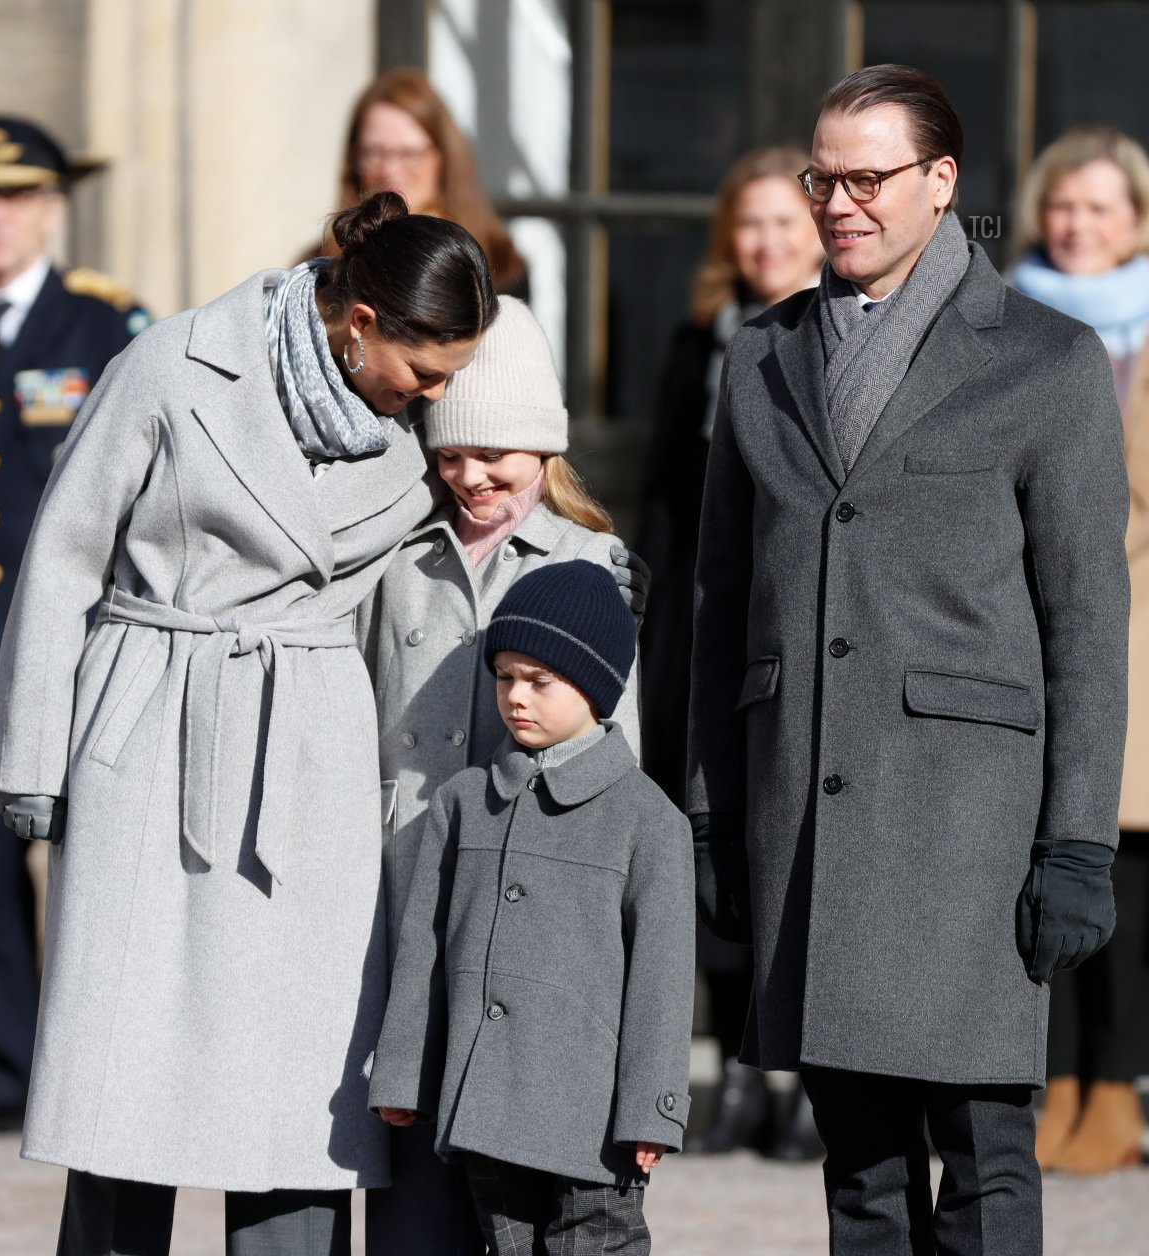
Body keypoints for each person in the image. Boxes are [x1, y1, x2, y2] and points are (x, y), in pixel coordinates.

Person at [0, 190, 497, 1256]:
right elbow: (66, 547)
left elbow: (499, 493)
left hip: (306, 741)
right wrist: (33, 752)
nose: (440, 397)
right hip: (152, 724)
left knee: (294, 1094)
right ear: (361, 324)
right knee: (127, 1084)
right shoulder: (175, 363)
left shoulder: (415, 423)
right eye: (427, 372)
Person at [688, 63, 1129, 1255]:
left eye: (867, 177)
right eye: (821, 177)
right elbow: (723, 600)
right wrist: (715, 811)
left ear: (941, 184)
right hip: (810, 821)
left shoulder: (1045, 361)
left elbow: (1087, 618)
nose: (839, 201)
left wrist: (1079, 840)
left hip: (969, 836)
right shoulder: (761, 358)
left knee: (986, 1164)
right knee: (863, 1176)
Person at [358, 294, 643, 1254]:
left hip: (530, 912)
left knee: (524, 1197)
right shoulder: (395, 555)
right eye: (448, 454)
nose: (471, 477)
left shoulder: (589, 560)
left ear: (545, 447)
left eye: (496, 454)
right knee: (406, 1160)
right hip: (401, 885)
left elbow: (615, 762)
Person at [368, 560, 694, 1256]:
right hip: (485, 1106)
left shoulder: (649, 821)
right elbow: (424, 948)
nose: (517, 696)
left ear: (598, 685)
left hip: (593, 1124)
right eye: (506, 676)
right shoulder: (463, 803)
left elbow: (662, 987)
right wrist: (402, 1071)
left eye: (540, 681)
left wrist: (653, 1109)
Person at [0, 114, 148, 1138]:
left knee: (91, 863)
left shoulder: (102, 327)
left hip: (72, 650)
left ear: (52, 207)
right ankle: (1, 1067)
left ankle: (92, 1058)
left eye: (14, 196)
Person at [636, 145, 824, 1159]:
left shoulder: (840, 337)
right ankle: (735, 1070)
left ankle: (799, 1074)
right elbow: (667, 497)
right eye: (749, 225)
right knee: (704, 840)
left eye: (783, 224)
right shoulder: (694, 339)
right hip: (703, 621)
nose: (766, 243)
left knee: (793, 838)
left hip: (795, 620)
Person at [1010, 124, 1149, 1174]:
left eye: (1101, 207)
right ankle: (1048, 1070)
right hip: (1024, 615)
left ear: (1138, 223)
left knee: (1130, 861)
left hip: (1142, 621)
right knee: (1036, 843)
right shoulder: (1005, 320)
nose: (1078, 224)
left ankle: (1117, 1076)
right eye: (1064, 205)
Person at [305, 66, 528, 298]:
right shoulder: (316, 272)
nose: (389, 170)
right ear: (353, 160)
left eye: (409, 153)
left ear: (444, 158)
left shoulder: (501, 266)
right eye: (374, 153)